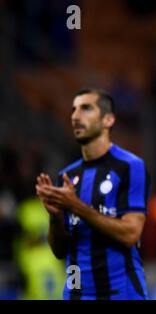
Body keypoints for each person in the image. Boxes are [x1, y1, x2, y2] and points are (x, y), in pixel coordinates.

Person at [35, 89, 150, 300]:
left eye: (86, 108)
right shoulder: (67, 176)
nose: (75, 116)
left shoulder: (129, 167)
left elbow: (130, 234)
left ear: (108, 119)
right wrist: (55, 216)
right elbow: (60, 251)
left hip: (120, 294)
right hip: (77, 293)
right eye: (73, 110)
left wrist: (76, 206)